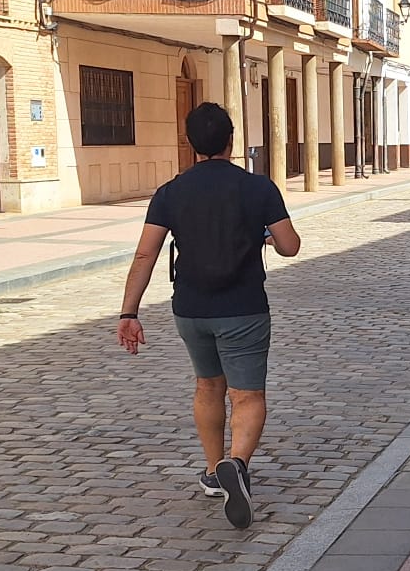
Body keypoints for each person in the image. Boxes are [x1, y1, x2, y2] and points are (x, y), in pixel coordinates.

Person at [117, 102, 301, 530]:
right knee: (247, 395)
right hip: (244, 309)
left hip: (192, 310)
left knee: (207, 386)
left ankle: (215, 468)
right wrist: (267, 239)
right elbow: (290, 245)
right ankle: (237, 464)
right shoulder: (258, 189)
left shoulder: (170, 192)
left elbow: (146, 252)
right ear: (231, 141)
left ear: (191, 144)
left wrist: (130, 311)